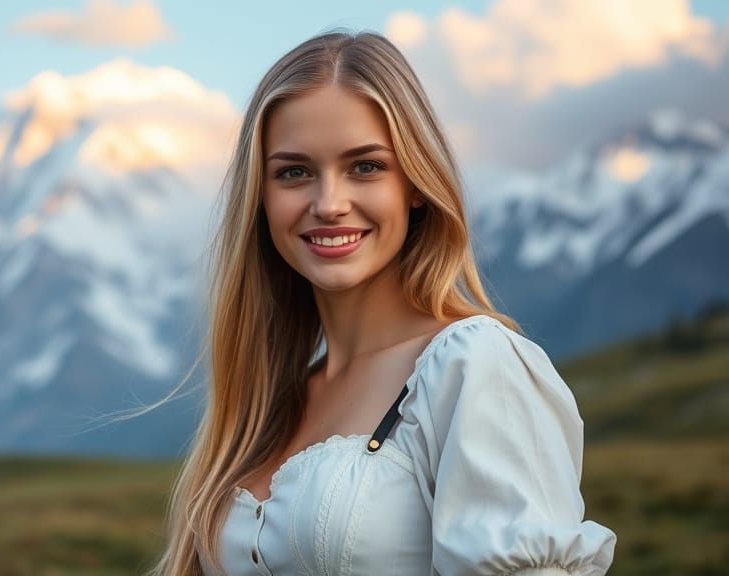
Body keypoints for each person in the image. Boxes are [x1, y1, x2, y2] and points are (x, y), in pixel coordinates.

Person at [147, 28, 617, 575]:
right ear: (261, 195)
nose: (329, 203)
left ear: (415, 183)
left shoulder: (474, 366)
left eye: (365, 166)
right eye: (293, 172)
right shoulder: (265, 405)